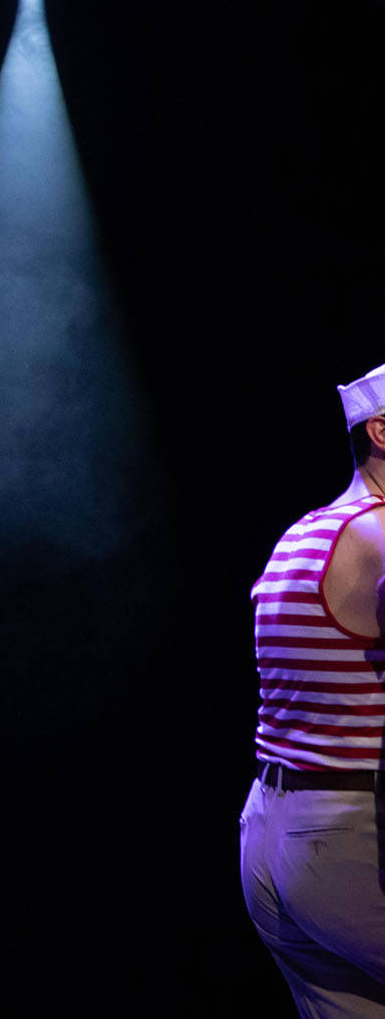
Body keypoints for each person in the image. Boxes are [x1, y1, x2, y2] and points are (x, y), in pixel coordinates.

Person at [239, 362, 385, 1017]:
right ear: (380, 431)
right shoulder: (380, 534)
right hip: (348, 841)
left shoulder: (306, 531)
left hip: (274, 835)